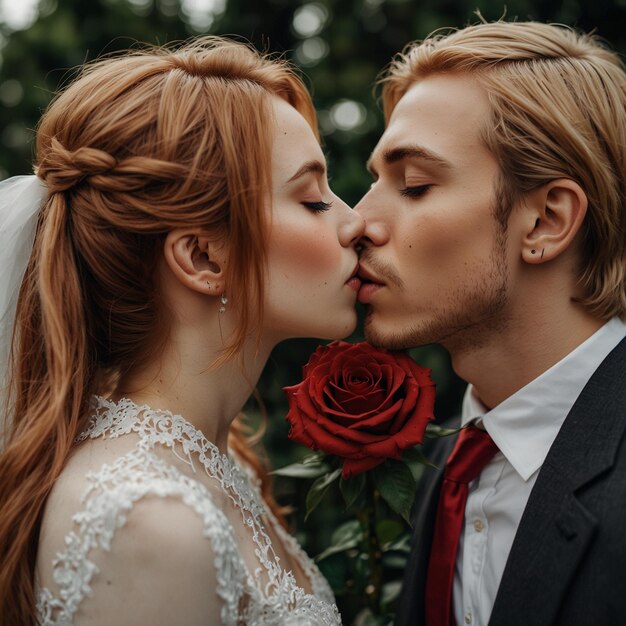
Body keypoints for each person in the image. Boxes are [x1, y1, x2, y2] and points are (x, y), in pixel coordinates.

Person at [0, 37, 364, 626]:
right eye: (313, 199)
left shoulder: (223, 464)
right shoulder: (145, 519)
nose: (357, 222)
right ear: (202, 257)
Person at [354, 20, 626, 626]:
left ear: (546, 222)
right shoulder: (455, 460)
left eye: (414, 185)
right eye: (376, 181)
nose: (359, 222)